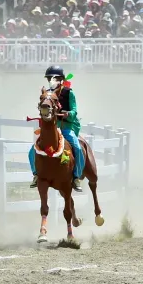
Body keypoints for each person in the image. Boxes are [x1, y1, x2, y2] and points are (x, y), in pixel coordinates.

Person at [30, 65, 84, 193]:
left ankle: (76, 176)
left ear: (61, 79)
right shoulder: (47, 94)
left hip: (66, 127)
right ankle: (36, 174)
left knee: (77, 148)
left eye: (54, 78)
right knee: (32, 150)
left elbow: (74, 111)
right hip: (51, 129)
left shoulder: (69, 93)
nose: (51, 81)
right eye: (49, 79)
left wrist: (68, 114)